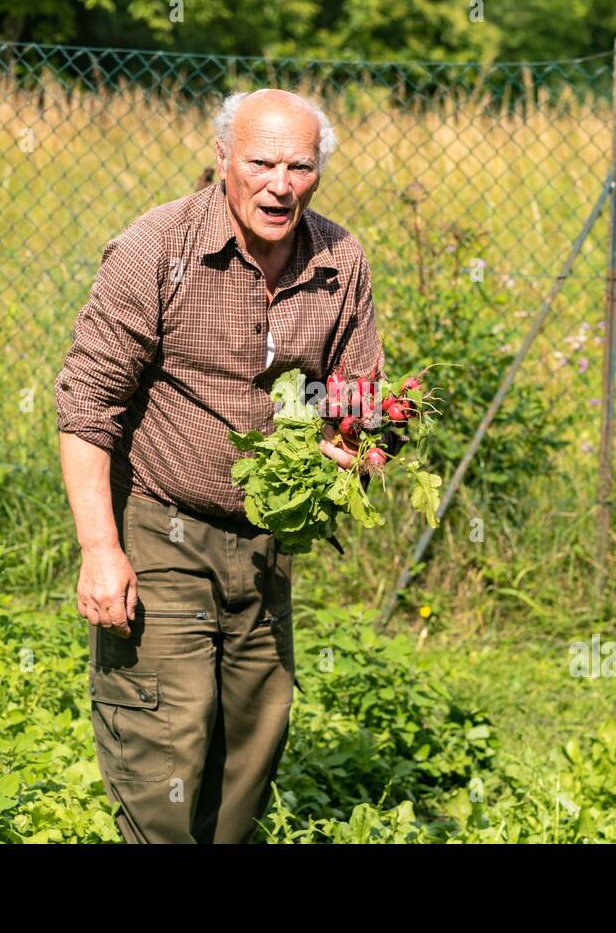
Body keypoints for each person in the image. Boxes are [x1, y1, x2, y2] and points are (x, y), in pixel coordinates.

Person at [54, 88, 386, 843]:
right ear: (222, 161)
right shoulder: (157, 248)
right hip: (162, 530)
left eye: (300, 165)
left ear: (319, 174)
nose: (281, 182)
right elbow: (86, 405)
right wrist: (101, 551)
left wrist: (353, 445)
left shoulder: (340, 260)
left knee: (248, 753)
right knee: (161, 748)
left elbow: (357, 399)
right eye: (262, 161)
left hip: (268, 548)